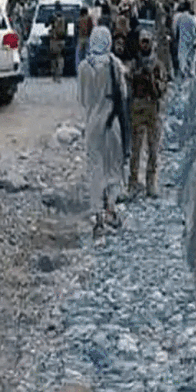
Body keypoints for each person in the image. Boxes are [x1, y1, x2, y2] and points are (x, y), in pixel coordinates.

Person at [78, 26, 130, 236]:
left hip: (92, 123)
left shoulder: (83, 66)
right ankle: (111, 208)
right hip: (112, 123)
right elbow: (124, 94)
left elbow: (82, 99)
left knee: (95, 168)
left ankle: (97, 215)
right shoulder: (115, 64)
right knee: (113, 167)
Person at [126, 30, 167, 198]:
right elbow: (128, 82)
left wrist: (152, 80)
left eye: (147, 42)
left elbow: (163, 88)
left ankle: (151, 183)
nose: (144, 45)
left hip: (152, 107)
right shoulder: (134, 64)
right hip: (137, 106)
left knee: (153, 149)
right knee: (135, 149)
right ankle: (133, 183)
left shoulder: (158, 65)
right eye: (142, 42)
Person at [173, 0, 196, 78]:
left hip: (183, 40)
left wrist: (175, 39)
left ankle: (184, 73)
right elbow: (195, 30)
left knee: (182, 57)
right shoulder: (193, 18)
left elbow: (176, 29)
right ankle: (191, 72)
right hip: (192, 40)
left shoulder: (180, 17)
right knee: (191, 58)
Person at [48, 11, 69, 82]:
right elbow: (66, 32)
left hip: (54, 41)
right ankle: (59, 75)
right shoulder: (64, 21)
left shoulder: (53, 20)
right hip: (62, 41)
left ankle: (54, 74)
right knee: (60, 58)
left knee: (53, 59)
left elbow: (48, 28)